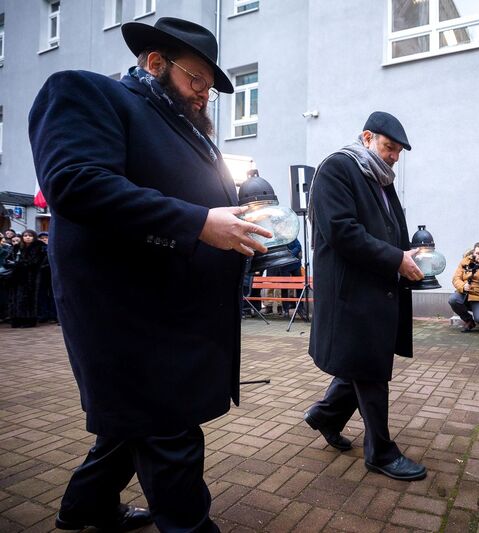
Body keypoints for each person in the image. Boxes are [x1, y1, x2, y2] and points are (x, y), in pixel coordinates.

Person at [29, 17, 271, 533]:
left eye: (210, 87)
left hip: (177, 314)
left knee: (130, 425)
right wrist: (199, 223)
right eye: (196, 80)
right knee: (170, 433)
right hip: (132, 317)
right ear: (155, 63)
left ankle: (84, 507)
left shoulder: (184, 130)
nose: (204, 95)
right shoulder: (86, 92)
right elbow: (76, 182)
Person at [305, 111, 427, 481]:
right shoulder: (337, 169)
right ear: (367, 137)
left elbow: (390, 228)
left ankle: (324, 415)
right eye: (389, 147)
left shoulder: (380, 178)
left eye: (398, 152)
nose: (393, 157)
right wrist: (395, 259)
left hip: (376, 287)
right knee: (370, 369)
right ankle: (381, 453)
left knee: (360, 361)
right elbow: (343, 232)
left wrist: (412, 256)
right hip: (351, 293)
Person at [6, 229, 47, 328]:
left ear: (34, 237)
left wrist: (19, 264)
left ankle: (29, 320)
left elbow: (35, 262)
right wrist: (12, 264)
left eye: (30, 235)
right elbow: (7, 259)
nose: (27, 237)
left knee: (29, 299)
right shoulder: (17, 247)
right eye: (25, 235)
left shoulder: (39, 247)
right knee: (15, 298)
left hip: (31, 277)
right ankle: (16, 319)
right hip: (16, 277)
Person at [36, 232, 58, 323]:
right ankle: (44, 315)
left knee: (53, 296)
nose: (44, 239)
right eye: (41, 238)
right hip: (41, 276)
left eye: (46, 238)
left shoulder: (54, 248)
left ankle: (54, 315)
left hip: (52, 275)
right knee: (42, 295)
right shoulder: (38, 249)